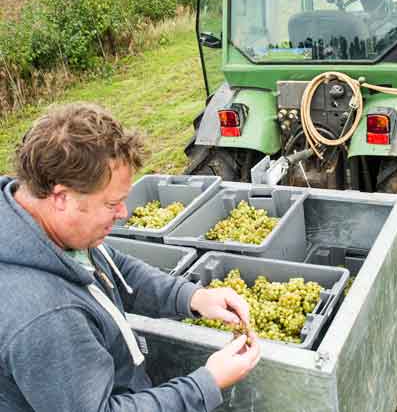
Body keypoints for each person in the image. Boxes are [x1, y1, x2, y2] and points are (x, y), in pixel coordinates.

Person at [0, 103, 260, 412]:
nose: (123, 213)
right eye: (112, 203)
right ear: (61, 197)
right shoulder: (45, 316)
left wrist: (193, 297)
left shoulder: (42, 226)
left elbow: (112, 267)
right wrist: (206, 384)